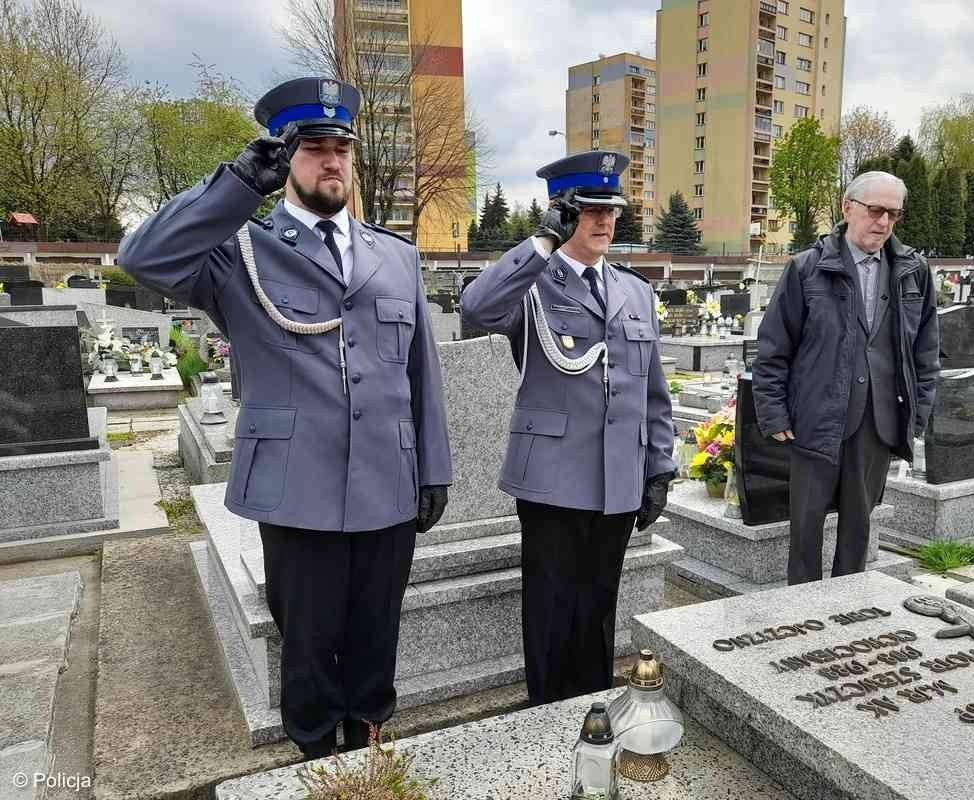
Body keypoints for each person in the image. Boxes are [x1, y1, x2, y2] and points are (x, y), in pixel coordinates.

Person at [119, 77, 452, 758]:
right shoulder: (239, 250)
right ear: (287, 157)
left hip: (389, 487)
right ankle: (313, 766)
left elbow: (421, 372)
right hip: (299, 492)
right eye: (313, 147)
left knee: (376, 642)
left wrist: (434, 469)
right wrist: (240, 184)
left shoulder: (396, 255)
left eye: (341, 147)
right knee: (306, 653)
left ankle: (367, 757)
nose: (332, 161)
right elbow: (142, 259)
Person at [461, 151, 676, 705]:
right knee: (553, 606)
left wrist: (660, 467)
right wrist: (538, 246)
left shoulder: (635, 291)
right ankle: (547, 718)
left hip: (617, 479)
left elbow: (653, 390)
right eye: (588, 211)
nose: (604, 221)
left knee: (600, 604)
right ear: (562, 213)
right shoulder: (533, 282)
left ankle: (592, 709)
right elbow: (476, 309)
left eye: (611, 210)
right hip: (553, 480)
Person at [752, 171, 940, 585]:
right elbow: (773, 348)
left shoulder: (913, 271)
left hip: (877, 421)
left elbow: (926, 349)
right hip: (816, 417)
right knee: (805, 527)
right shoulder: (807, 268)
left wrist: (918, 414)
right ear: (847, 208)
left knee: (859, 526)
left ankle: (848, 606)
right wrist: (775, 415)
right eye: (875, 211)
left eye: (893, 214)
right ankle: (802, 609)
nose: (884, 222)